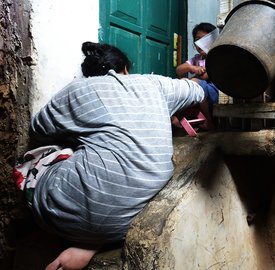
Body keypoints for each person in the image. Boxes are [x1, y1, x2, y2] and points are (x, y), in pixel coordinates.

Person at [13, 41, 208, 270]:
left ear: (89, 75)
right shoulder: (156, 84)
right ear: (125, 69)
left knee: (40, 156)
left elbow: (38, 130)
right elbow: (198, 91)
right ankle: (94, 241)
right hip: (126, 223)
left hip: (60, 215)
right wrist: (210, 122)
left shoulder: (77, 90)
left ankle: (86, 236)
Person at [173, 22, 220, 131]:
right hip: (199, 91)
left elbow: (204, 77)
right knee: (183, 82)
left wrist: (193, 78)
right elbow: (179, 70)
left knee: (193, 82)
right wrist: (192, 68)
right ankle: (178, 117)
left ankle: (209, 121)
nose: (200, 43)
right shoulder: (196, 58)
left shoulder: (216, 57)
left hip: (213, 92)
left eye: (204, 39)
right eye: (197, 39)